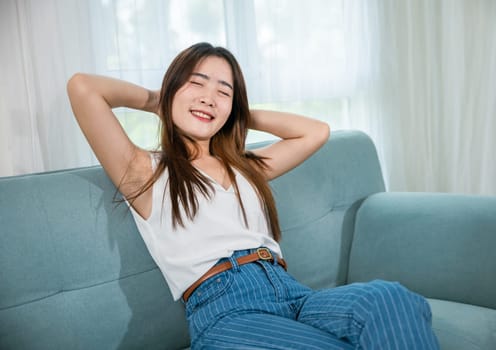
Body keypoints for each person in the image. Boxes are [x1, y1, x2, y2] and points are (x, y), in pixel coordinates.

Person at [67, 42, 439, 349]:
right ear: (172, 88)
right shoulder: (145, 171)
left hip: (294, 294)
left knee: (390, 300)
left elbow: (315, 132)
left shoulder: (245, 166)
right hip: (225, 311)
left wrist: (239, 113)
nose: (209, 98)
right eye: (196, 84)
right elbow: (84, 88)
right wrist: (158, 100)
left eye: (223, 92)